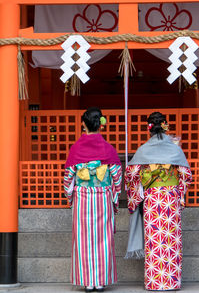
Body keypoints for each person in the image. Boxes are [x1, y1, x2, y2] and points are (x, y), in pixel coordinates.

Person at [125, 112, 192, 291]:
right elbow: (186, 175)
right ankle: (172, 282)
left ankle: (154, 282)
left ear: (149, 129)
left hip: (153, 199)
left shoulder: (143, 150)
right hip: (170, 198)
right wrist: (180, 195)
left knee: (155, 241)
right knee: (170, 240)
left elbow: (130, 175)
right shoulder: (175, 149)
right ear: (165, 125)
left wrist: (142, 185)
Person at [64, 107, 122, 292]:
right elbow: (117, 176)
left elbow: (68, 178)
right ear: (101, 125)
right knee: (103, 238)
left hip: (82, 197)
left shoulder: (76, 148)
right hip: (102, 197)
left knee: (83, 239)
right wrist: (115, 195)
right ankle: (101, 280)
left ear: (83, 124)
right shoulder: (108, 148)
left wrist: (70, 196)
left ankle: (87, 280)